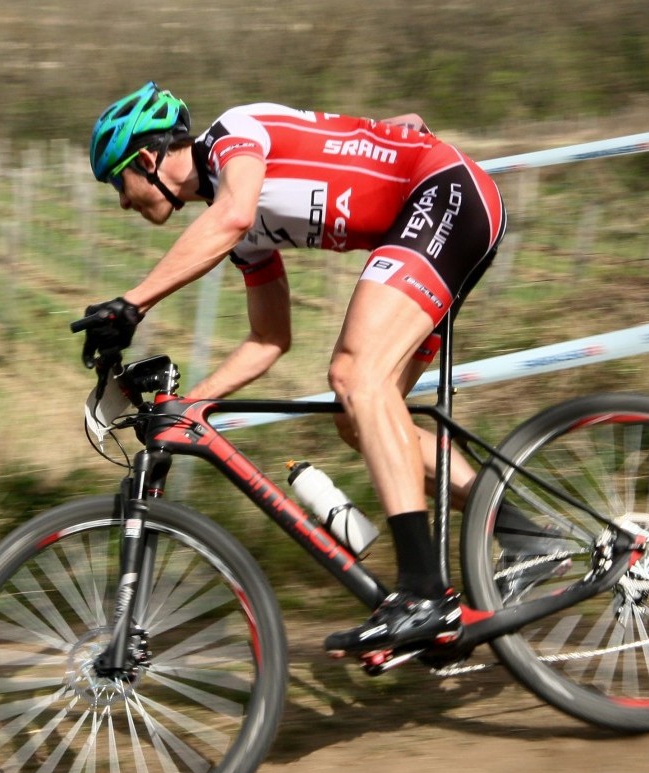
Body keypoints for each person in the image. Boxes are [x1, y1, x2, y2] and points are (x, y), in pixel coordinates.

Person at [83, 81, 506, 657]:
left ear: (147, 159)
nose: (123, 202)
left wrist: (135, 303)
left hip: (444, 196)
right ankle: (523, 530)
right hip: (429, 218)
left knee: (356, 375)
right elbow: (269, 338)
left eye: (118, 182)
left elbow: (231, 215)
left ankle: (424, 596)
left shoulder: (233, 139)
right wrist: (191, 406)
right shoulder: (238, 221)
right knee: (359, 418)